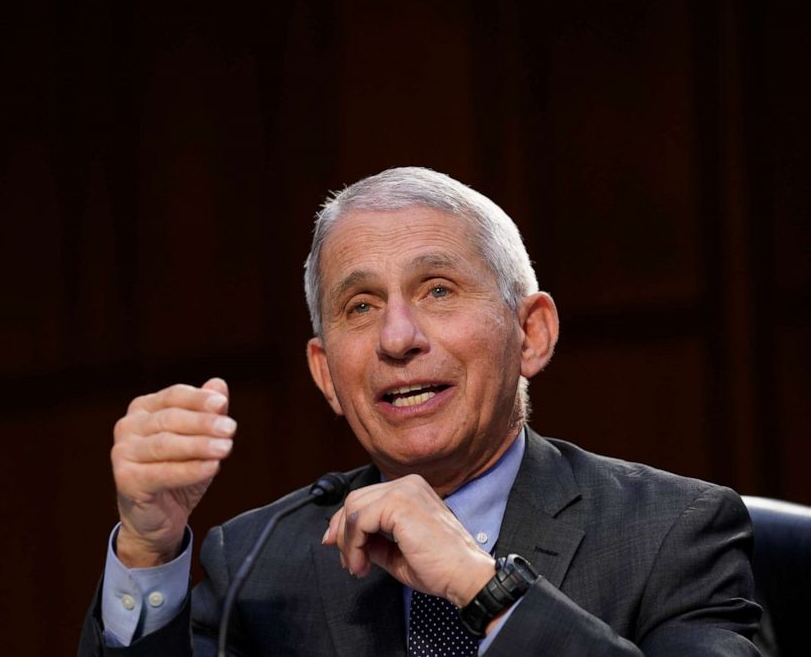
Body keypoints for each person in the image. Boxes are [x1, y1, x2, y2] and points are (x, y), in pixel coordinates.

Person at [78, 167, 761, 655]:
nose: (398, 337)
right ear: (326, 374)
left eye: (438, 289)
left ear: (532, 333)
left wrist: (483, 587)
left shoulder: (674, 532)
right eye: (361, 306)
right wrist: (147, 548)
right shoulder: (259, 563)